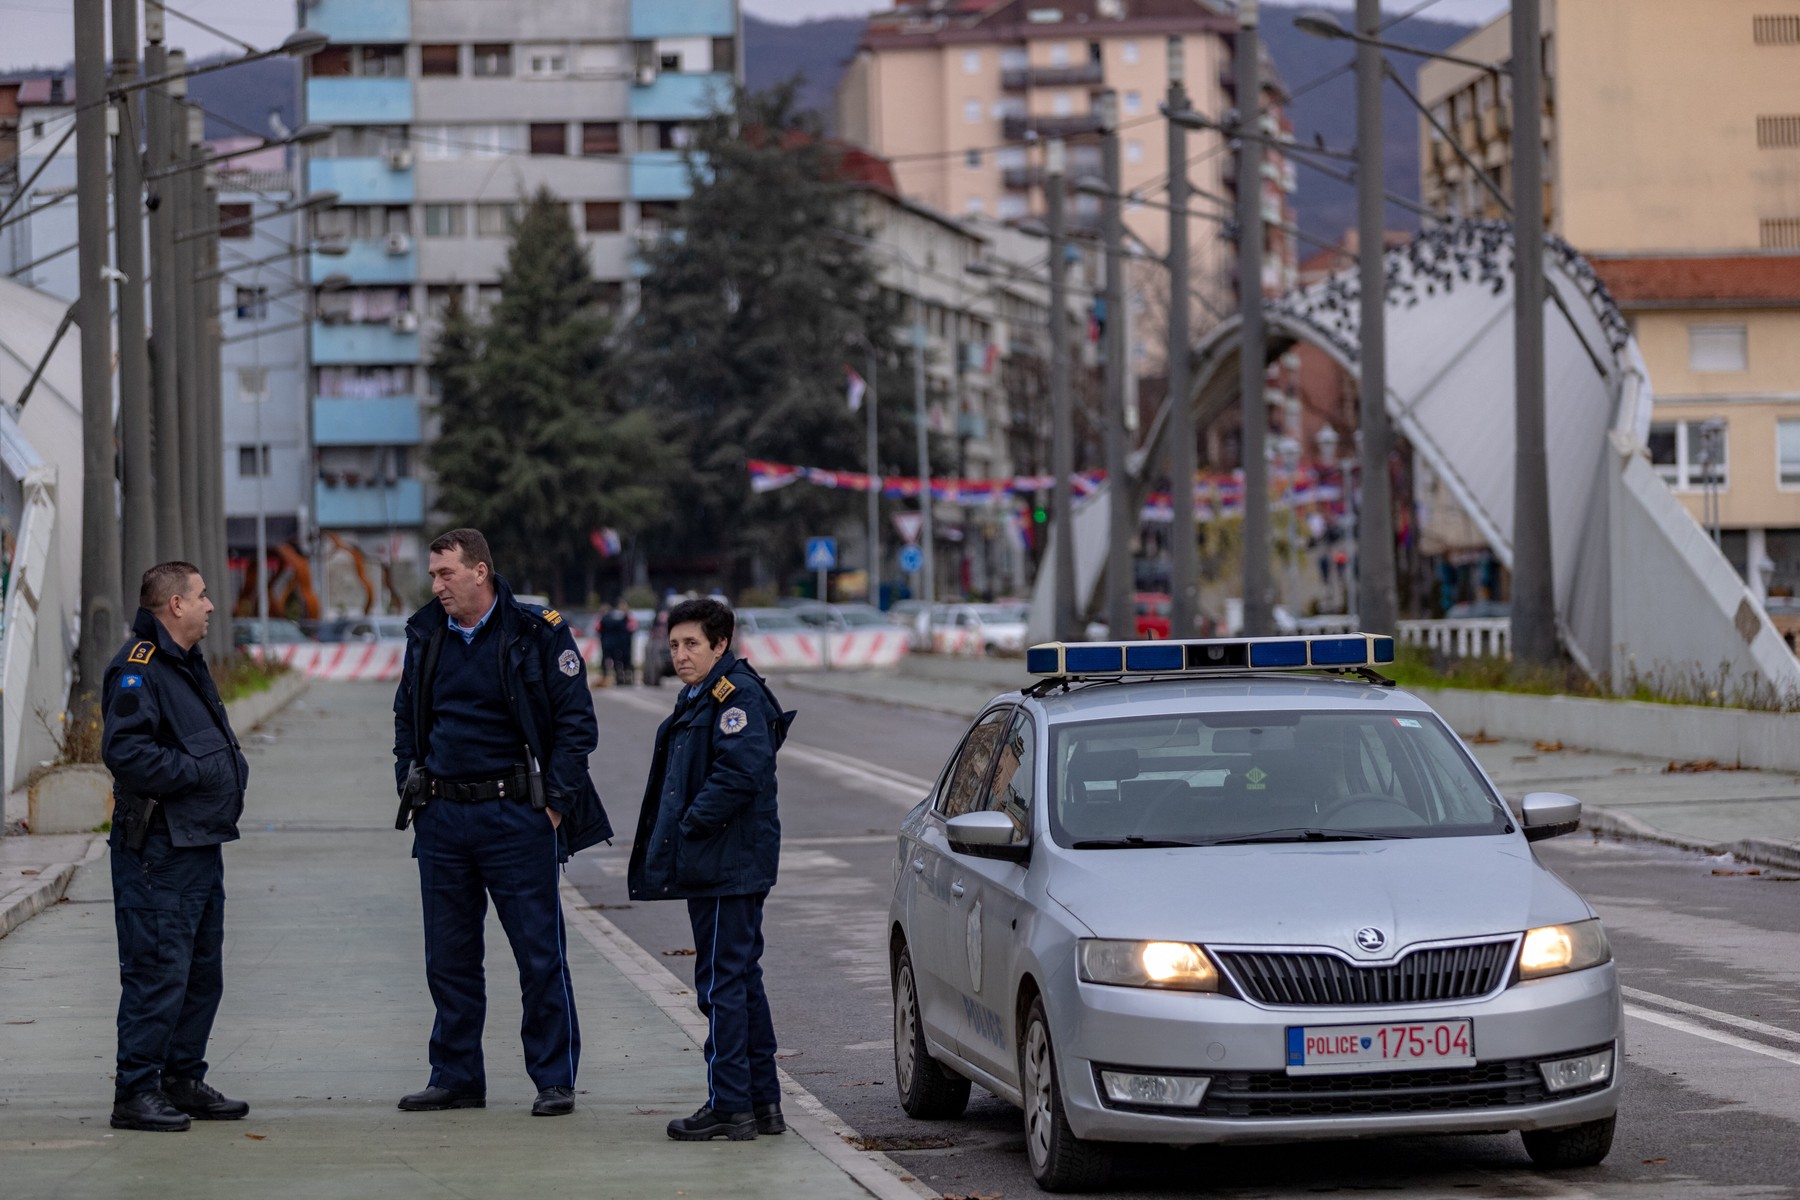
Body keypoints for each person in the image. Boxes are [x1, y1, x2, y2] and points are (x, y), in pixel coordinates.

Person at [392, 528, 612, 1117]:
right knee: (449, 957)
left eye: (446, 573)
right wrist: (410, 789)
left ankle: (554, 1078)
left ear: (481, 571)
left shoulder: (535, 631)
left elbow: (575, 724)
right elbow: (406, 719)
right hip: (442, 818)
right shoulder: (425, 633)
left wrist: (556, 803)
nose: (436, 585)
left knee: (539, 954)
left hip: (515, 816)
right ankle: (457, 1075)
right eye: (433, 574)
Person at [627, 598, 794, 1141]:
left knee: (721, 984)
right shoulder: (702, 695)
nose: (680, 654)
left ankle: (729, 1105)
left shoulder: (735, 695)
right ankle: (762, 1103)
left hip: (728, 863)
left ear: (721, 644)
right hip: (723, 862)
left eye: (692, 643)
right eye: (674, 645)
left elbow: (743, 770)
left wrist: (692, 823)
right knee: (741, 982)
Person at [101, 561, 251, 1132]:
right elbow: (127, 753)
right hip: (158, 849)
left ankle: (181, 1079)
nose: (211, 605)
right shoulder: (139, 666)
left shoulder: (183, 663)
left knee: (200, 971)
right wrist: (198, 773)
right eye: (202, 595)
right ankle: (136, 1091)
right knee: (158, 968)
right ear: (176, 605)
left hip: (196, 841)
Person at [598, 602, 636, 687]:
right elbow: (632, 628)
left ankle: (607, 677)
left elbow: (598, 629)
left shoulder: (603, 619)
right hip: (622, 643)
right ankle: (623, 678)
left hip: (606, 643)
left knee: (606, 661)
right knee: (622, 660)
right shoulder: (623, 620)